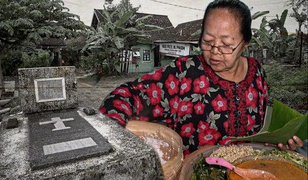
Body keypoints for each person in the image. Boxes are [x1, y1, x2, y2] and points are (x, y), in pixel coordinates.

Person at [99, 0, 303, 157]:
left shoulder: (257, 71)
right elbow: (125, 95)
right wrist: (112, 135)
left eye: (226, 44)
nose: (214, 52)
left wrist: (278, 141)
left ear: (245, 43)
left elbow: (261, 128)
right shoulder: (184, 72)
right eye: (207, 41)